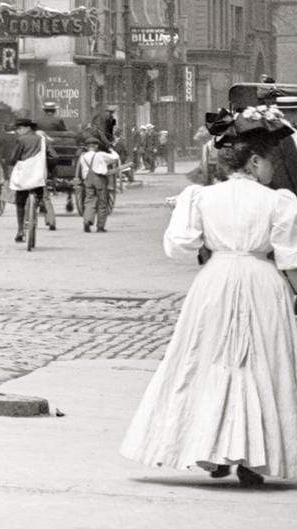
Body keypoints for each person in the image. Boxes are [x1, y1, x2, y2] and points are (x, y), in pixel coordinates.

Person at [121, 105, 297, 487]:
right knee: (262, 363)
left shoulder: (200, 198)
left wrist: (211, 249)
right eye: (267, 162)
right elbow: (289, 256)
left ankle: (210, 448)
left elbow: (180, 246)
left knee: (208, 359)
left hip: (215, 281)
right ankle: (253, 458)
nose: (271, 169)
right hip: (262, 280)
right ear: (253, 162)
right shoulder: (279, 201)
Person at [8, 118, 55, 242]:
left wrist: (12, 162)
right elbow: (54, 157)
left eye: (19, 128)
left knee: (20, 203)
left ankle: (20, 230)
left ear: (27, 128)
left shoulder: (21, 140)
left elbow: (14, 158)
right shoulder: (43, 139)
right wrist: (47, 168)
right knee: (39, 193)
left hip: (24, 176)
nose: (17, 131)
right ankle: (39, 204)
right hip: (39, 176)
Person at [76, 137, 118, 233]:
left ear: (87, 147)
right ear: (97, 146)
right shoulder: (100, 155)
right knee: (102, 202)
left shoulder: (83, 157)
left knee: (89, 200)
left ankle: (87, 221)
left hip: (87, 180)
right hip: (99, 179)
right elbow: (115, 158)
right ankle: (100, 227)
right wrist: (112, 150)